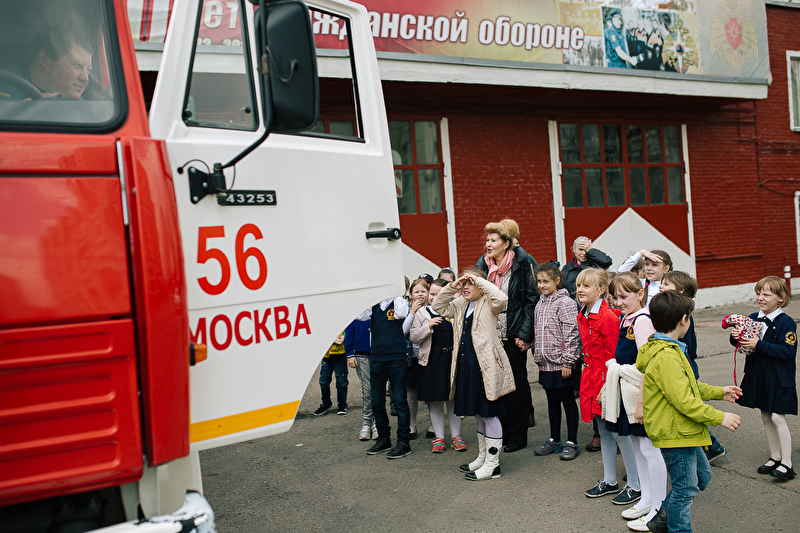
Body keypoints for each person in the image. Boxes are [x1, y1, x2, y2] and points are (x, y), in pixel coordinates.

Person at [637, 290, 742, 533]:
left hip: (685, 430)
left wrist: (719, 392)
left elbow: (688, 386)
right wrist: (720, 417)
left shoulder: (672, 349)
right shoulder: (666, 356)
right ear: (684, 320)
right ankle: (677, 529)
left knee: (701, 478)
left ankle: (661, 520)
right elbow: (685, 401)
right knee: (685, 489)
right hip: (677, 433)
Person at [432, 270, 514, 481]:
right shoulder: (460, 304)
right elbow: (438, 306)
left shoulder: (490, 303)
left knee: (489, 413)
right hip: (465, 365)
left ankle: (493, 465)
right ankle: (483, 457)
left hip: (485, 368)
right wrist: (452, 286)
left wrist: (478, 279)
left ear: (481, 285)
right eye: (463, 284)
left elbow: (502, 298)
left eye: (470, 284)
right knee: (478, 413)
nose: (465, 287)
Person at [606, 272, 667, 531]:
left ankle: (659, 507)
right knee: (637, 446)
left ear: (640, 294)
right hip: (628, 391)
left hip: (639, 393)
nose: (619, 302)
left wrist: (642, 402)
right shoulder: (627, 318)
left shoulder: (642, 321)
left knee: (650, 450)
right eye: (615, 297)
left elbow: (648, 365)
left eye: (624, 296)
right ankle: (647, 499)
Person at [576, 269, 641, 504]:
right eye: (579, 285)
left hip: (607, 380)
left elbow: (615, 356)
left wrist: (606, 387)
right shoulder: (583, 314)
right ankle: (610, 480)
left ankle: (635, 484)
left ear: (601, 290)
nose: (580, 290)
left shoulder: (607, 317)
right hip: (591, 378)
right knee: (604, 431)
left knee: (619, 433)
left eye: (587, 286)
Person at [474, 219, 538, 453]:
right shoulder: (483, 264)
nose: (488, 244)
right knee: (497, 385)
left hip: (513, 334)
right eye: (487, 240)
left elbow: (531, 299)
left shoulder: (522, 263)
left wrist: (525, 334)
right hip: (491, 333)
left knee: (516, 385)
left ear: (506, 243)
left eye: (493, 240)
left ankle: (518, 435)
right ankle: (502, 433)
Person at [729, 276, 797, 481]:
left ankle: (787, 463)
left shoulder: (786, 322)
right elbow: (742, 343)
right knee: (766, 416)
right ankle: (775, 457)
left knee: (777, 417)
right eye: (758, 293)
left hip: (778, 376)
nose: (761, 298)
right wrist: (735, 337)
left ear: (781, 298)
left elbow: (787, 351)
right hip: (759, 375)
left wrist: (759, 344)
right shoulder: (752, 318)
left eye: (767, 295)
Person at [662, 271, 727, 463]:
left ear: (681, 290)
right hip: (682, 364)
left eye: (667, 284)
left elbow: (687, 348)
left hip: (686, 366)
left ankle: (712, 446)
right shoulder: (675, 311)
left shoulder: (682, 316)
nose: (662, 287)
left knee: (689, 408)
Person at [532, 262, 582, 460]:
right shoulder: (540, 304)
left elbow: (572, 333)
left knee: (568, 401)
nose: (542, 285)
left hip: (562, 364)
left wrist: (568, 362)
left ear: (557, 281)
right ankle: (555, 439)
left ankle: (572, 442)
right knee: (552, 402)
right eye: (539, 281)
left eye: (546, 281)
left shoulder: (566, 303)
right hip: (546, 364)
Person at [411, 279, 466, 453]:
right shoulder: (422, 313)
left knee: (452, 399)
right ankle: (439, 438)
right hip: (431, 362)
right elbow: (414, 337)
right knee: (434, 401)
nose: (434, 298)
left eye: (438, 294)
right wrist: (427, 326)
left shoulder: (455, 310)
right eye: (432, 294)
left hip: (451, 361)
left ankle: (456, 436)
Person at [356, 294, 412, 459]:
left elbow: (401, 313)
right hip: (377, 358)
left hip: (396, 358)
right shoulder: (374, 305)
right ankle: (384, 437)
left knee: (400, 401)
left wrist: (395, 292)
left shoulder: (398, 301)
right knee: (377, 401)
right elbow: (360, 315)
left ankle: (404, 441)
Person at [0, 26, 93, 100]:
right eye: (78, 66)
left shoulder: (83, 106)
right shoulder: (4, 93)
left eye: (88, 70)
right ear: (44, 59)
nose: (85, 79)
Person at [403, 278, 430, 439]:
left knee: (429, 391)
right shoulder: (406, 309)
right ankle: (411, 425)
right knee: (410, 391)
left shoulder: (432, 309)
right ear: (411, 294)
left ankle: (433, 425)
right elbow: (404, 330)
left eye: (423, 291)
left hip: (427, 356)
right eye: (416, 292)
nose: (420, 294)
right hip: (410, 357)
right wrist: (412, 311)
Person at [345, 319, 376, 440]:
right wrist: (349, 353)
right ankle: (367, 422)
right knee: (367, 389)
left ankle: (377, 422)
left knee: (378, 389)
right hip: (361, 352)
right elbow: (349, 326)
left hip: (379, 352)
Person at [561, 236, 613, 302]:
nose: (584, 253)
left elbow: (607, 261)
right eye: (580, 249)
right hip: (571, 306)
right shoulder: (567, 268)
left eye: (586, 250)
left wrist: (591, 250)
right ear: (574, 249)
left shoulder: (595, 265)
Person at [313, 333, 348, 416]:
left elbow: (347, 327)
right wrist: (332, 338)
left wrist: (344, 336)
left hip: (340, 352)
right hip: (327, 353)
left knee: (341, 380)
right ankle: (326, 403)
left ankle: (342, 405)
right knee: (323, 381)